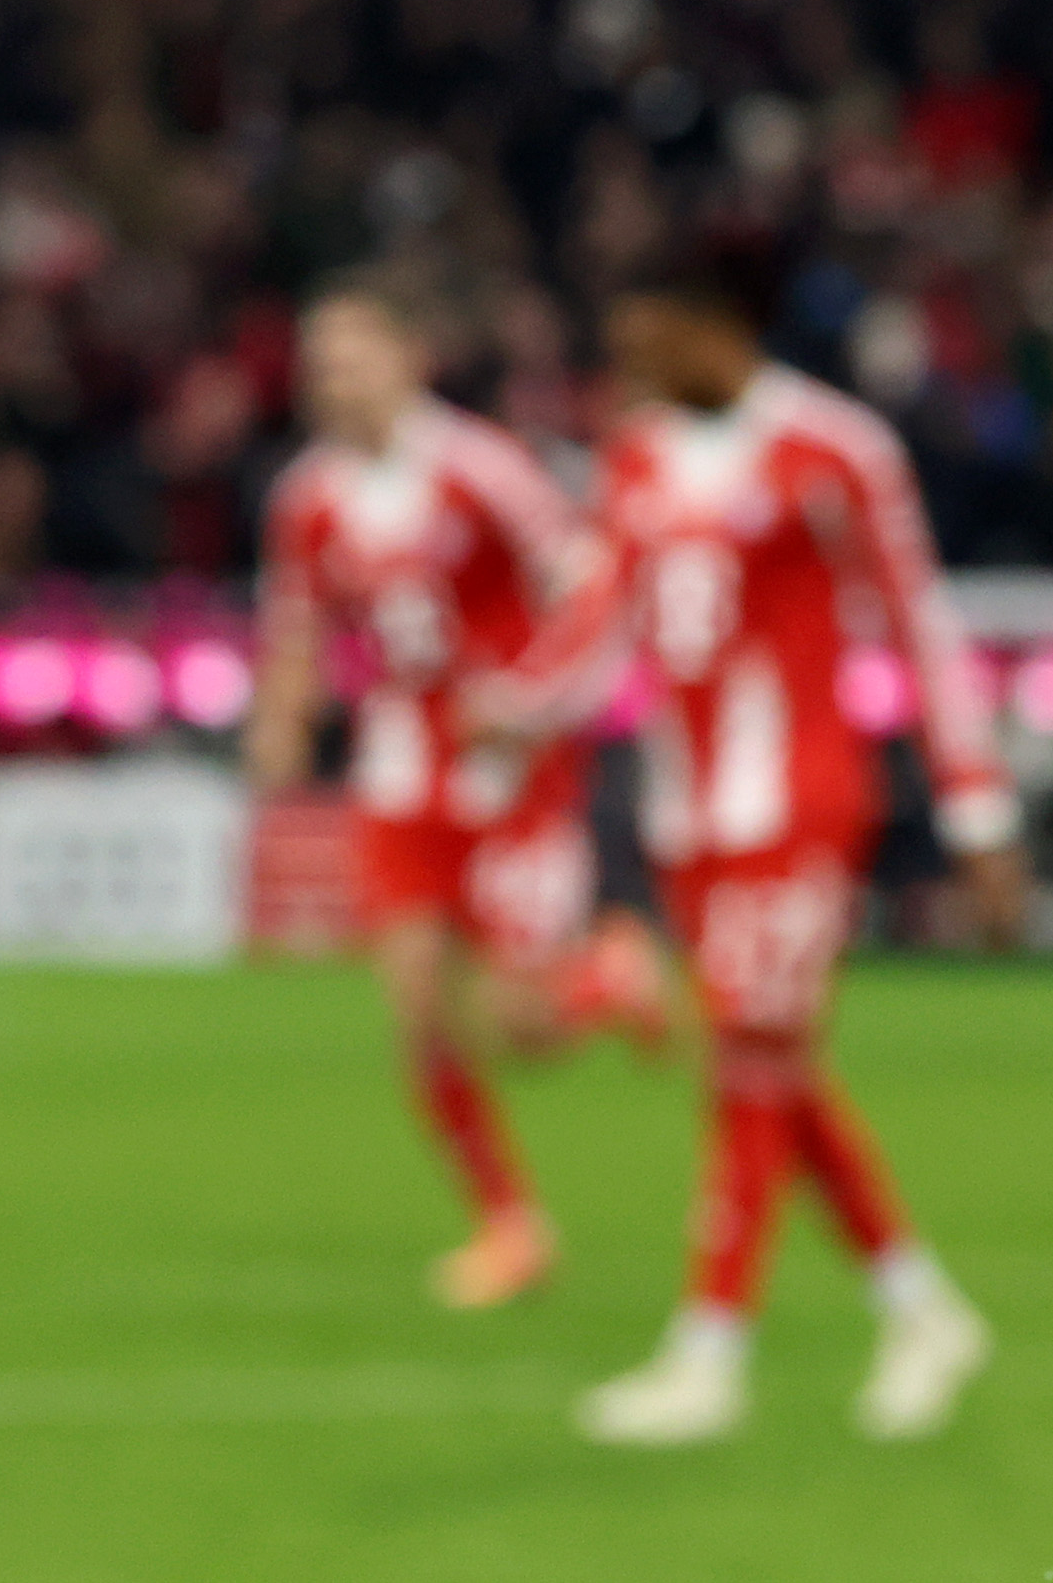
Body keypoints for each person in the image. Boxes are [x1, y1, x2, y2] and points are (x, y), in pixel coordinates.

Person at [482, 237, 1028, 1446]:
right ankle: (922, 1307)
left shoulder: (833, 447)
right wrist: (513, 709)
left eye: (641, 343)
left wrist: (977, 807)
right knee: (774, 1064)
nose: (622, 369)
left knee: (743, 1058)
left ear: (712, 329)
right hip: (691, 819)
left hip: (804, 802)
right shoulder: (638, 457)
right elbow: (600, 622)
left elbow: (921, 625)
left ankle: (709, 1353)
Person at [244, 278, 664, 1309]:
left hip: (506, 774)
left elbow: (589, 577)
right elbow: (298, 627)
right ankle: (511, 1226)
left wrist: (527, 703)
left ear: (407, 358)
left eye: (352, 353)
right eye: (320, 360)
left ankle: (604, 977)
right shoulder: (310, 496)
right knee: (421, 1010)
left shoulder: (480, 466)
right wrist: (279, 723)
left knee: (519, 1025)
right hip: (398, 774)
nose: (333, 376)